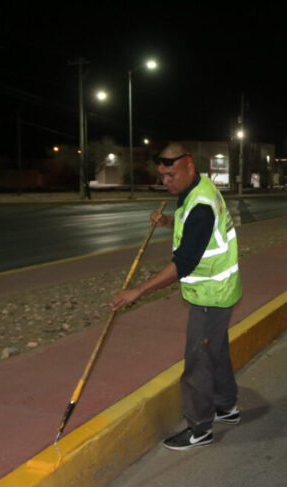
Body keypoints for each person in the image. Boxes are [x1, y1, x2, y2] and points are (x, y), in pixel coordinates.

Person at [110, 143, 242, 451]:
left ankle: (200, 429)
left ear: (188, 166)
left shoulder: (201, 205)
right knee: (216, 352)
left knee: (198, 362)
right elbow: (194, 228)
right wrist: (168, 222)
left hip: (211, 294)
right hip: (220, 289)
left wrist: (138, 291)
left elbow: (183, 264)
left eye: (170, 175)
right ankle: (227, 407)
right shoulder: (197, 189)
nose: (165, 182)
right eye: (161, 176)